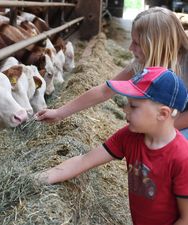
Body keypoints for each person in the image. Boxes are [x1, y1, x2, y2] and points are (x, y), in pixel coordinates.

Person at [37, 67, 188, 225]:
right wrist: (42, 177)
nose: (125, 110)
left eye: (133, 106)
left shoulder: (182, 158)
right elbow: (83, 161)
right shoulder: (129, 137)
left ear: (163, 114)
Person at [36, 7, 188, 137]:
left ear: (155, 44)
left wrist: (158, 130)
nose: (130, 48)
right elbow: (104, 90)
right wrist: (59, 113)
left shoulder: (185, 62)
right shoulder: (141, 64)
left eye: (136, 43)